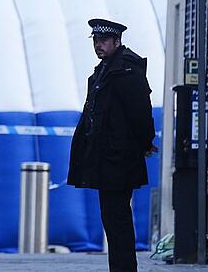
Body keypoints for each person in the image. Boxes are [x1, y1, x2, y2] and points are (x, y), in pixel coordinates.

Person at [67, 18, 158, 272]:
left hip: (118, 159)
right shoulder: (105, 70)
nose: (98, 45)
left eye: (104, 40)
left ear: (117, 41)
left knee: (117, 220)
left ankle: (124, 269)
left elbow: (140, 112)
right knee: (113, 218)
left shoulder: (125, 70)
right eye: (96, 40)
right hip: (108, 158)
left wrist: (145, 142)